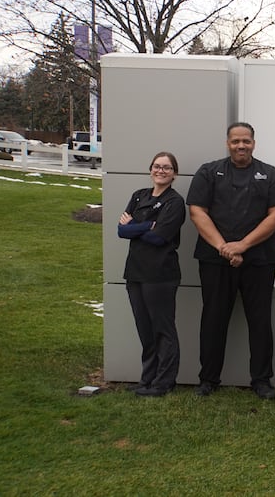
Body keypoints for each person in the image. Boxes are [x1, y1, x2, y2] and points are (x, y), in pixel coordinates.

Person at [186, 122, 275, 399]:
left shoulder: (270, 175)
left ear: (254, 143)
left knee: (260, 320)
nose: (240, 146)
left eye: (245, 141)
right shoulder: (209, 172)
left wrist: (243, 245)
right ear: (227, 143)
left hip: (260, 260)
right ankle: (208, 379)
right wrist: (224, 247)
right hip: (214, 259)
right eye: (235, 141)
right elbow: (197, 212)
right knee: (213, 319)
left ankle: (262, 381)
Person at [117, 152, 186, 397]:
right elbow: (120, 231)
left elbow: (160, 238)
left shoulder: (175, 202)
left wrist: (135, 226)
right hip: (135, 272)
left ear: (174, 173)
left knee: (162, 329)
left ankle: (163, 382)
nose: (161, 171)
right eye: (157, 166)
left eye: (167, 168)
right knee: (145, 329)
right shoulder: (139, 196)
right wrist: (146, 225)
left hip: (160, 275)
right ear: (150, 169)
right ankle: (147, 379)